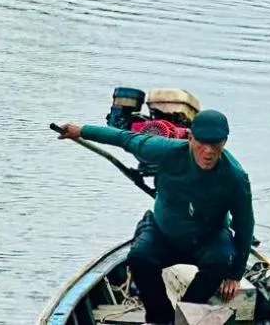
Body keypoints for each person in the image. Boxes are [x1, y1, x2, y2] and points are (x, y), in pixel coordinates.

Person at [57, 110, 253, 325]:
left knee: (220, 262)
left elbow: (245, 225)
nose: (207, 152)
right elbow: (125, 138)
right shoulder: (166, 151)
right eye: (201, 143)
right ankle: (161, 319)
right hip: (163, 232)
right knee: (139, 257)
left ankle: (182, 317)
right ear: (190, 138)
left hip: (208, 238)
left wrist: (235, 274)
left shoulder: (236, 178)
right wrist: (81, 131)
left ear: (224, 142)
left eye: (215, 144)